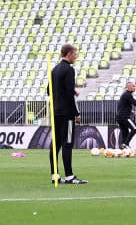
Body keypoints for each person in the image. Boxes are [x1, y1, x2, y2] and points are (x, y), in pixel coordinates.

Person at [49, 43, 86, 184]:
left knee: (55, 144)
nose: (75, 57)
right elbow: (70, 94)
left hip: (55, 112)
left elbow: (49, 91)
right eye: (75, 54)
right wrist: (76, 113)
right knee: (67, 143)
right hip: (67, 114)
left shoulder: (54, 70)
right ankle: (69, 175)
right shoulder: (69, 70)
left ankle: (55, 175)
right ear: (69, 54)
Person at [115, 81, 136, 150]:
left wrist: (130, 111)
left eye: (134, 86)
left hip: (119, 117)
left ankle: (123, 148)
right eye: (133, 86)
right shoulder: (127, 95)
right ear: (128, 87)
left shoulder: (125, 95)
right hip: (124, 117)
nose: (134, 87)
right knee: (135, 128)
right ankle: (125, 144)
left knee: (125, 132)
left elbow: (121, 106)